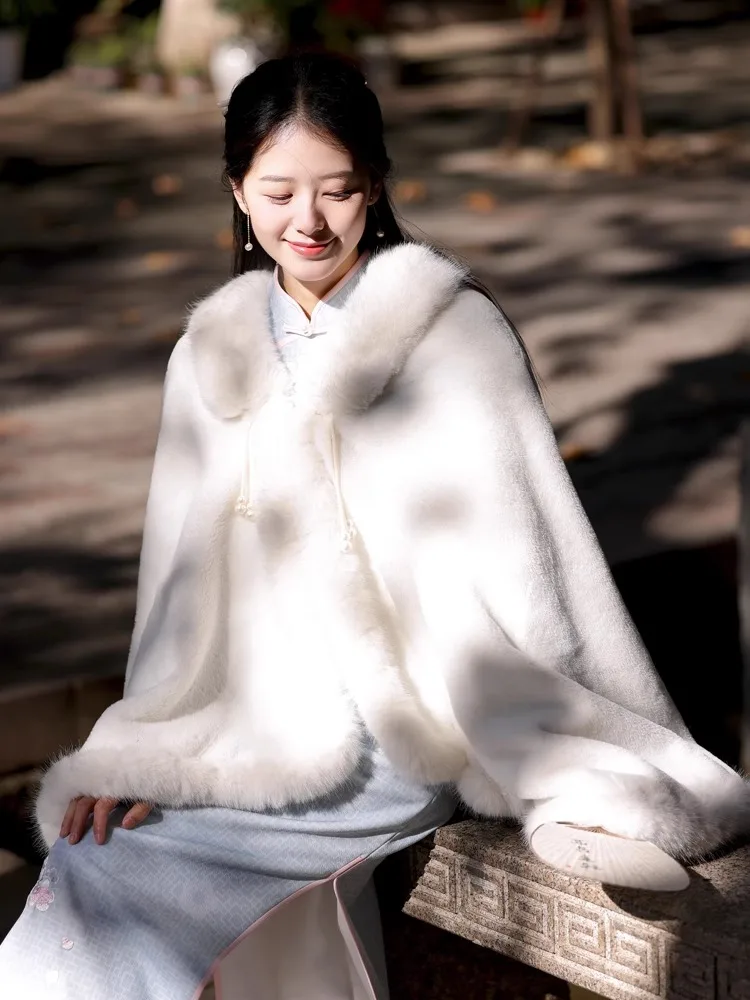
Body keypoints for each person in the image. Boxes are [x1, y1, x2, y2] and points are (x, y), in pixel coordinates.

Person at [1, 52, 748, 1000]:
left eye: (337, 190)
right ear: (236, 190)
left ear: (377, 185)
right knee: (89, 861)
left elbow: (535, 566)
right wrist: (157, 745)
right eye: (275, 192)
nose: (306, 222)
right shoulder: (211, 352)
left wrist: (551, 747)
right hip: (250, 716)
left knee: (118, 876)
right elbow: (176, 591)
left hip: (403, 722)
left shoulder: (449, 331)